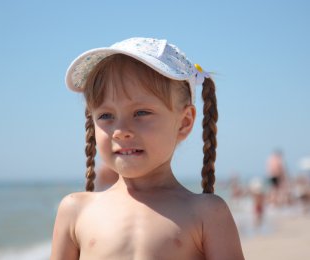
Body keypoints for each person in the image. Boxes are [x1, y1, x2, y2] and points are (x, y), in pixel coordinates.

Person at [51, 37, 244, 259]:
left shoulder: (207, 213)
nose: (120, 130)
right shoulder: (75, 210)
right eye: (105, 115)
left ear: (184, 122)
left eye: (141, 112)